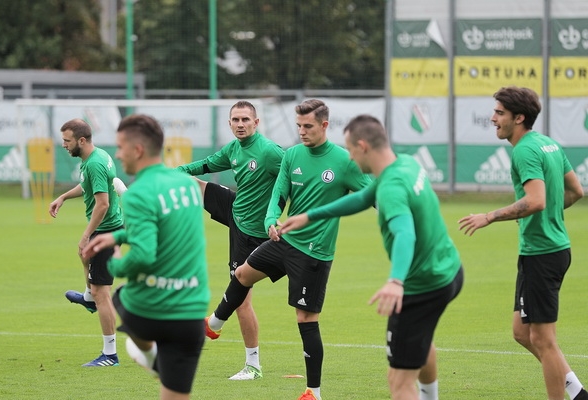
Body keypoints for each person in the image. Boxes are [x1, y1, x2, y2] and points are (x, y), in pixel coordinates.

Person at [280, 114, 464, 400]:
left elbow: (405, 234)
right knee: (422, 339)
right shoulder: (405, 164)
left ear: (363, 146)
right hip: (450, 270)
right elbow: (361, 199)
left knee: (398, 381)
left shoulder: (391, 187)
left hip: (421, 285)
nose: (350, 159)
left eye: (351, 151)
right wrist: (310, 215)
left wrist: (395, 281)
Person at [203, 99, 372, 400]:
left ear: (324, 126)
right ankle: (215, 322)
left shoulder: (343, 162)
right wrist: (270, 219)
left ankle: (313, 391)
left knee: (306, 320)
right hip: (284, 240)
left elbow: (372, 192)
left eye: (308, 126)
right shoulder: (292, 154)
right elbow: (280, 192)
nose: (302, 131)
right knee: (242, 273)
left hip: (313, 253)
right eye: (298, 126)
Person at [458, 86, 587, 400]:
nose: (493, 119)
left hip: (543, 254)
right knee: (521, 332)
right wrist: (543, 214)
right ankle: (577, 392)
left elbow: (536, 200)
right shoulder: (548, 144)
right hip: (547, 250)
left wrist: (490, 216)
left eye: (499, 113)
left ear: (519, 117)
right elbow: (576, 192)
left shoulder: (525, 150)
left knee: (544, 340)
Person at [82, 114, 210, 400]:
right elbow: (163, 228)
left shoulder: (137, 193)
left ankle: (150, 354)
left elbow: (142, 257)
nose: (116, 154)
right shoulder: (186, 185)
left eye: (119, 146)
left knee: (118, 296)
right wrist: (118, 235)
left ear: (137, 150)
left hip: (153, 314)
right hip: (191, 313)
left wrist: (114, 260)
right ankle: (153, 359)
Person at [177, 100, 284, 380]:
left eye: (245, 120)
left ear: (256, 123)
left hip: (254, 233)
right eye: (235, 120)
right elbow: (206, 164)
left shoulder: (270, 152)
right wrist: (175, 172)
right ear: (229, 123)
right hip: (235, 211)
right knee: (188, 181)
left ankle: (253, 365)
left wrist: (279, 215)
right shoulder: (233, 149)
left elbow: (292, 182)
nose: (240, 124)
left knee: (243, 299)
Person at [49, 118, 124, 367]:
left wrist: (86, 235)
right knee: (83, 256)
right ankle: (88, 297)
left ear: (81, 141)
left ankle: (110, 355)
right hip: (107, 228)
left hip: (105, 230)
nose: (63, 145)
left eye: (67, 141)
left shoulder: (94, 164)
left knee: (102, 293)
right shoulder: (96, 157)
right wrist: (63, 197)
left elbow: (102, 203)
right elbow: (87, 187)